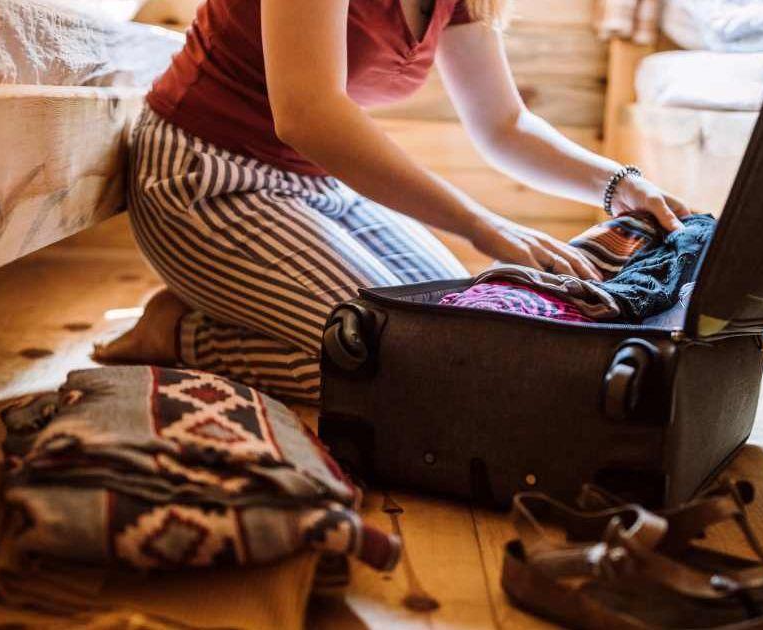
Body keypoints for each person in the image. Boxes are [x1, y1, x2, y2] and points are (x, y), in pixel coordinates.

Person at [95, 0, 692, 402]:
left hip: (319, 186)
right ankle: (184, 334)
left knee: (470, 343)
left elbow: (505, 123)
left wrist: (618, 182)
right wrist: (480, 224)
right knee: (412, 378)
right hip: (204, 177)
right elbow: (308, 114)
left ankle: (237, 297)